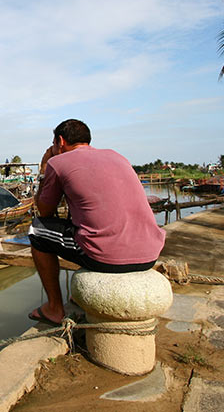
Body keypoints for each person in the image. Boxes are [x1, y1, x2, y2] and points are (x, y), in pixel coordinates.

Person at [28, 119, 166, 325]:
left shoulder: (57, 163)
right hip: (150, 254)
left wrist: (44, 169)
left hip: (107, 258)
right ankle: (75, 296)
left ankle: (54, 308)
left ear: (60, 141)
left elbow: (45, 211)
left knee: (37, 230)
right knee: (87, 224)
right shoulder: (117, 156)